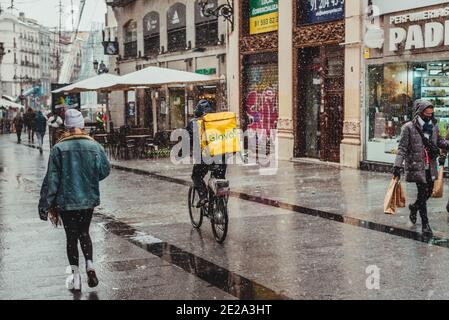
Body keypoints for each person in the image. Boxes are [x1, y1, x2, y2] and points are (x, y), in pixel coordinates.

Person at [38, 109, 111, 291]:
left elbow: (51, 180)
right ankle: (90, 264)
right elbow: (104, 170)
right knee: (84, 233)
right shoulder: (94, 146)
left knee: (71, 237)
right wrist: (89, 180)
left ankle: (76, 277)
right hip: (87, 200)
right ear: (82, 126)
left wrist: (44, 206)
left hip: (66, 201)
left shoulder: (58, 149)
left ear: (67, 127)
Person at [393, 99, 449, 236]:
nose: (429, 116)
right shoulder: (408, 127)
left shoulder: (433, 126)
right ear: (420, 112)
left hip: (431, 166)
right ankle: (425, 223)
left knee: (429, 192)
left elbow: (440, 141)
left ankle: (414, 207)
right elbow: (402, 149)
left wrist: (446, 144)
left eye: (431, 114)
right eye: (427, 114)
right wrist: (397, 166)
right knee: (422, 193)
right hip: (417, 165)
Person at [187, 100, 227, 208]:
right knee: (219, 178)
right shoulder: (218, 121)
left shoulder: (194, 123)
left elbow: (187, 140)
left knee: (196, 176)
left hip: (204, 158)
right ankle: (220, 203)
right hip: (221, 156)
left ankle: (203, 197)